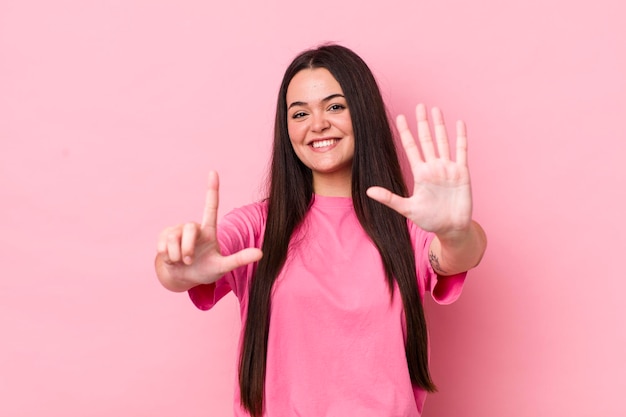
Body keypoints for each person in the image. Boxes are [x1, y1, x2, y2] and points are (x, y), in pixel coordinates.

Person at [155, 44, 487, 417]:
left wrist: (455, 232)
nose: (317, 124)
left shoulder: (406, 227)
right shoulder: (256, 226)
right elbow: (179, 270)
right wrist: (176, 266)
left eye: (334, 106)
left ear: (363, 113)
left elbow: (456, 255)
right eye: (300, 113)